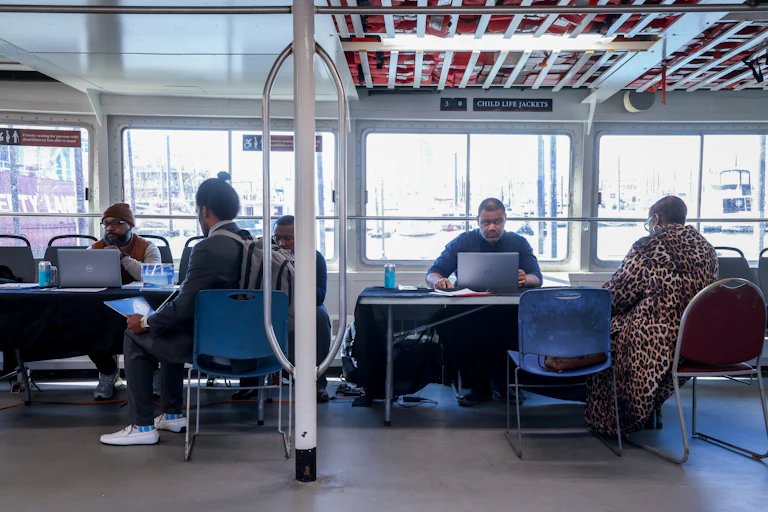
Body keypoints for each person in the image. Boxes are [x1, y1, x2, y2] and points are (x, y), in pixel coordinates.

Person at [100, 177, 245, 446]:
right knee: (165, 326)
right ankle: (171, 414)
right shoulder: (250, 242)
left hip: (212, 346)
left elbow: (184, 306)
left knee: (135, 334)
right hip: (247, 343)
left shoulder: (207, 248)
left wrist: (144, 321)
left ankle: (142, 426)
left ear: (203, 210)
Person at [585, 196, 718, 436]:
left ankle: (613, 419)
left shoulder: (647, 247)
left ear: (655, 220)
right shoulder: (707, 249)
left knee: (605, 329)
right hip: (694, 342)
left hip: (653, 343)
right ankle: (649, 411)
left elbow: (616, 296)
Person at [427, 198, 543, 406]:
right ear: (477, 220)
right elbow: (432, 273)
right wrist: (439, 282)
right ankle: (479, 385)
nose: (492, 227)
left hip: (506, 310)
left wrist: (526, 279)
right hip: (470, 310)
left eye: (497, 222)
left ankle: (504, 383)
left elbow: (537, 277)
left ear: (505, 219)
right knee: (449, 323)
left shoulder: (518, 242)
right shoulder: (463, 242)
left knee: (514, 326)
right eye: (486, 222)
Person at [234, 215, 332, 403]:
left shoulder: (315, 258)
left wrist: (293, 275)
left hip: (300, 308)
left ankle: (317, 383)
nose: (281, 243)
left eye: (288, 238)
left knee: (319, 317)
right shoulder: (263, 257)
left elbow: (319, 296)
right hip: (268, 307)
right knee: (247, 313)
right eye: (277, 238)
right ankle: (250, 382)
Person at [89, 203, 162, 400]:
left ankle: (154, 372)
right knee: (83, 323)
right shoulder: (95, 248)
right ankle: (108, 372)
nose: (110, 228)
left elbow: (151, 277)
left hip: (138, 305)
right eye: (106, 224)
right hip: (102, 306)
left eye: (116, 223)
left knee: (149, 321)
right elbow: (83, 275)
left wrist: (122, 257)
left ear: (130, 225)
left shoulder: (147, 247)